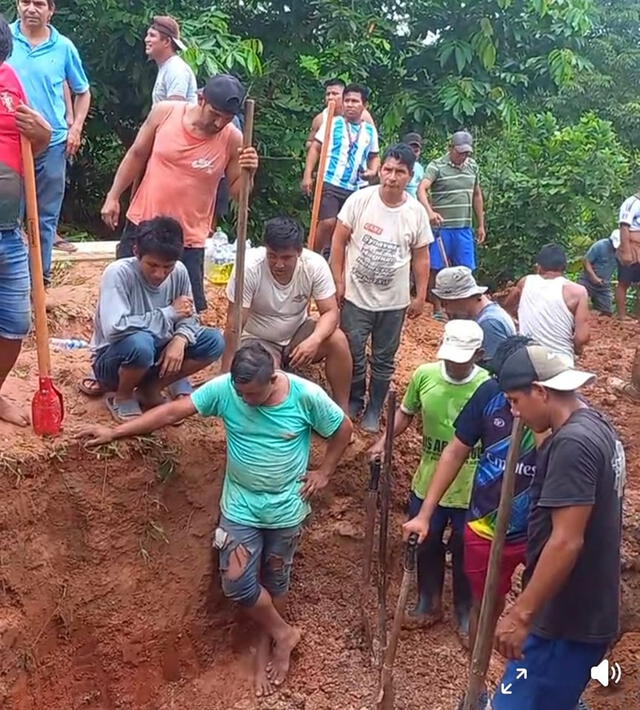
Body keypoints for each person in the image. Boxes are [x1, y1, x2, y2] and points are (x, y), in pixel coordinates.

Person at [77, 342, 353, 698]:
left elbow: (343, 430)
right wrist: (114, 432)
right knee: (238, 583)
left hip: (286, 509)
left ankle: (266, 649)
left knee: (275, 579)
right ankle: (284, 633)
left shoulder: (304, 396)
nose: (245, 400)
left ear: (272, 379)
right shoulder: (227, 390)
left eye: (252, 394)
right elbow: (174, 412)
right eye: (240, 393)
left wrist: (324, 472)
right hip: (240, 507)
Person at [403, 336, 538, 708]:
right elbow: (455, 450)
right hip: (485, 522)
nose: (511, 403)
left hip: (537, 529)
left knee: (540, 609)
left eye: (517, 393)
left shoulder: (553, 409)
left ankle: (530, 685)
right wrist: (425, 513)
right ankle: (477, 681)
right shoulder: (488, 394)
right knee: (484, 602)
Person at [491, 345, 624, 710]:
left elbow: (566, 541)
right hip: (581, 611)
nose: (514, 413)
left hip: (565, 620)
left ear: (541, 391)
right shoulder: (596, 426)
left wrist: (521, 614)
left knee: (513, 705)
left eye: (515, 401)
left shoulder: (573, 444)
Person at [101, 74, 259, 314]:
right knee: (124, 297)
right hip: (144, 224)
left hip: (188, 238)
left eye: (226, 119)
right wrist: (113, 196)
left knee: (186, 310)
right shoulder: (165, 113)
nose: (219, 123)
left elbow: (239, 193)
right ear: (201, 99)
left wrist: (250, 172)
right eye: (215, 114)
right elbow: (137, 154)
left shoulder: (233, 139)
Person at [371, 320, 489, 637]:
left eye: (462, 358)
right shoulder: (425, 376)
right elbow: (407, 413)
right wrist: (385, 441)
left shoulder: (488, 386)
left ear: (478, 354)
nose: (453, 363)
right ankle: (428, 601)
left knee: (468, 546)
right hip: (428, 480)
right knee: (426, 542)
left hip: (473, 486)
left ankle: (465, 610)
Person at [330, 143, 433, 432]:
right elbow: (338, 241)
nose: (391, 176)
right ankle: (354, 398)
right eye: (387, 169)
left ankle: (375, 407)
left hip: (394, 302)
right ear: (380, 170)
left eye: (399, 172)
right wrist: (337, 280)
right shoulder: (359, 200)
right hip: (355, 295)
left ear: (410, 176)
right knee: (352, 348)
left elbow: (422, 257)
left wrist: (421, 295)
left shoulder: (415, 213)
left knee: (384, 358)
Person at [88, 216, 224, 421]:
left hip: (157, 352)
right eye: (152, 265)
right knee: (141, 343)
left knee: (214, 341)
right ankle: (122, 396)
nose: (159, 274)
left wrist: (180, 338)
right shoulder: (118, 274)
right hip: (114, 359)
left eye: (167, 267)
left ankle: (150, 390)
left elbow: (189, 315)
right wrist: (169, 313)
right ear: (136, 252)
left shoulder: (179, 271)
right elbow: (115, 328)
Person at [221, 216, 352, 413]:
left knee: (338, 340)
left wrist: (315, 340)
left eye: (286, 258)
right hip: (259, 339)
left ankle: (341, 411)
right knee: (270, 384)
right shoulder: (248, 267)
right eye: (272, 256)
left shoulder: (314, 265)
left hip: (297, 333)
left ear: (299, 252)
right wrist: (225, 377)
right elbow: (234, 325)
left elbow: (331, 312)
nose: (278, 264)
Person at [9, 0, 91, 285]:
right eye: (25, 2)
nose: (32, 8)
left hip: (53, 144)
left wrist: (76, 128)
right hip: (9, 145)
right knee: (8, 215)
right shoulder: (4, 40)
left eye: (39, 3)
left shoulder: (64, 47)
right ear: (17, 6)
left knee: (45, 216)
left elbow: (83, 91)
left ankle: (40, 279)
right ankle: (13, 280)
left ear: (51, 10)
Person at [0, 13, 51, 426]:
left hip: (11, 231)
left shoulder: (10, 80)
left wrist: (44, 134)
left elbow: (35, 141)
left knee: (16, 323)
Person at [302, 84, 380, 256]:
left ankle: (337, 262)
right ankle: (312, 256)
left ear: (364, 106)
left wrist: (373, 171)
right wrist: (307, 175)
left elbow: (374, 156)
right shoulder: (331, 123)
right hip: (330, 181)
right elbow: (315, 147)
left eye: (355, 101)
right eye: (347, 101)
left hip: (356, 188)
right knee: (328, 222)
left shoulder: (369, 130)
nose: (350, 105)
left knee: (347, 228)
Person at [418, 131, 486, 318]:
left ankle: (467, 309)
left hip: (464, 226)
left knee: (466, 268)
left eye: (466, 152)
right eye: (459, 152)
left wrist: (481, 224)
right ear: (450, 148)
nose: (463, 156)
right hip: (442, 228)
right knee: (437, 268)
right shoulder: (437, 166)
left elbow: (476, 194)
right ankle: (438, 308)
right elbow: (422, 189)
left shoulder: (473, 167)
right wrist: (430, 212)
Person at [506, 244, 590, 366]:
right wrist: (577, 349)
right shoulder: (577, 292)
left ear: (538, 267)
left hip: (526, 359)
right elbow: (582, 337)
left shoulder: (525, 282)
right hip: (560, 362)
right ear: (564, 267)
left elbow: (507, 309)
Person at [432, 266, 516, 367]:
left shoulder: (488, 324)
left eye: (447, 303)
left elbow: (491, 371)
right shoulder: (483, 317)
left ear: (465, 297)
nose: (446, 310)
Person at [305, 77, 375, 150]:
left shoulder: (363, 116)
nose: (330, 97)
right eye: (328, 94)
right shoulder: (320, 119)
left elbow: (372, 142)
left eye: (335, 94)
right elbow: (309, 143)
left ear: (344, 96)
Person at [145, 15, 197, 105]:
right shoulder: (167, 67)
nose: (146, 39)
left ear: (166, 42)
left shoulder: (176, 68)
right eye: (147, 35)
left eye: (152, 36)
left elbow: (174, 111)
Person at [578, 230, 620, 316]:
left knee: (607, 313)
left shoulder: (622, 251)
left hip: (603, 285)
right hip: (587, 282)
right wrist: (594, 277)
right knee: (578, 306)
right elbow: (586, 261)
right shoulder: (600, 246)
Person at [616, 193, 640, 320]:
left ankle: (638, 315)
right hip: (631, 247)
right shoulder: (631, 203)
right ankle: (622, 315)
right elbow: (624, 226)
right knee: (624, 282)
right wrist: (626, 251)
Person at [403, 132, 425, 199]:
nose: (413, 154)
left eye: (416, 151)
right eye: (410, 150)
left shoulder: (419, 168)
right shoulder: (398, 166)